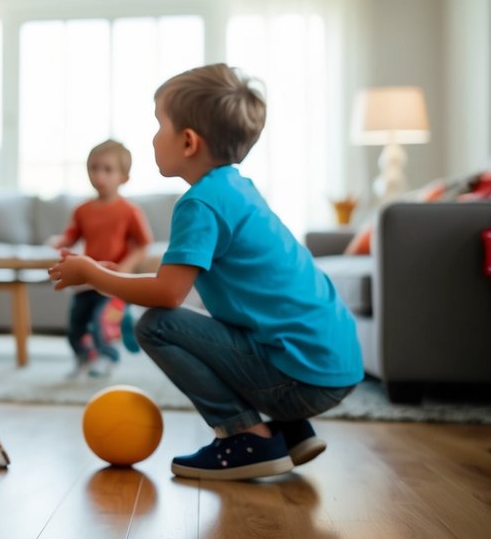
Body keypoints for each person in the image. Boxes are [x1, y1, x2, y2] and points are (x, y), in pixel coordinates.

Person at [48, 64, 362, 481]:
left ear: (189, 141)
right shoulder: (236, 188)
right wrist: (110, 271)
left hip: (303, 380)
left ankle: (245, 436)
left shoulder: (199, 204)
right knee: (213, 327)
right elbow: (176, 280)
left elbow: (167, 295)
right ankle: (289, 430)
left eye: (159, 125)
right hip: (331, 365)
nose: (153, 137)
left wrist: (92, 275)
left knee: (156, 326)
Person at [48, 140, 152, 378]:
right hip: (86, 281)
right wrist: (60, 242)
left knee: (101, 323)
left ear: (124, 177)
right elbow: (71, 236)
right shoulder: (82, 210)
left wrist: (126, 266)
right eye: (93, 168)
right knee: (76, 325)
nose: (99, 175)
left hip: (114, 282)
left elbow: (144, 244)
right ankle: (84, 356)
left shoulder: (130, 211)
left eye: (107, 169)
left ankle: (108, 356)